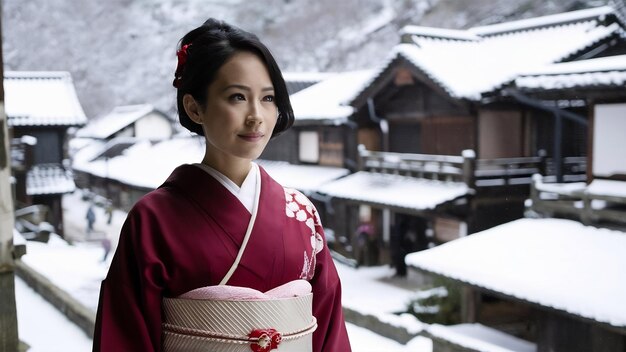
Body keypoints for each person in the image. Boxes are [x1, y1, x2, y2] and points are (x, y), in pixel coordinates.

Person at [93, 19, 351, 351]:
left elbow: (329, 330)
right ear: (194, 107)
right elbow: (124, 337)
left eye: (268, 98)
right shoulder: (153, 219)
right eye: (237, 97)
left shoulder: (301, 213)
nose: (257, 115)